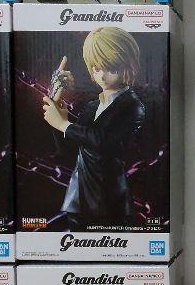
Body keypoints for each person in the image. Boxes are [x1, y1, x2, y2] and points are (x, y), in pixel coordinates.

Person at [41, 26, 146, 229]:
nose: (102, 76)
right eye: (97, 68)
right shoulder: (92, 106)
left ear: (128, 66)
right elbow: (69, 149)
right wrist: (58, 108)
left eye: (111, 68)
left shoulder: (133, 106)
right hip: (77, 198)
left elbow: (104, 141)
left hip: (108, 201)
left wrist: (63, 124)